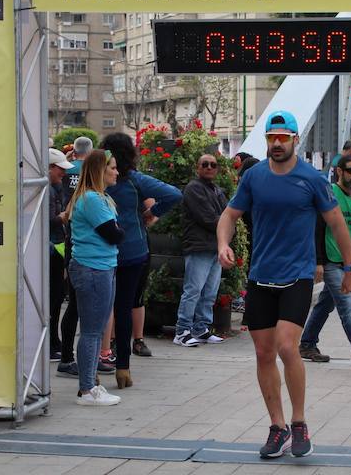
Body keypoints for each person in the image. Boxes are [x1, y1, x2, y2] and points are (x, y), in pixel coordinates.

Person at [217, 110, 351, 460]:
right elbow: (229, 215)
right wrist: (222, 244)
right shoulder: (253, 177)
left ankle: (299, 422)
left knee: (287, 347)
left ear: (295, 139)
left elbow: (337, 223)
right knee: (264, 352)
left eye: (283, 137)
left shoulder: (311, 179)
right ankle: (276, 427)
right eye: (271, 138)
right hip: (260, 277)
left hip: (298, 276)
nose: (276, 143)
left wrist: (349, 266)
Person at [102, 133, 181, 388]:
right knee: (124, 307)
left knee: (99, 309)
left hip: (100, 252)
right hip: (132, 251)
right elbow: (174, 194)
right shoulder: (135, 181)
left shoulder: (95, 181)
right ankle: (123, 367)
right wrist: (151, 212)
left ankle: (96, 361)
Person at [299, 155, 351, 370]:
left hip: (348, 263)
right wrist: (318, 262)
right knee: (346, 307)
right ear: (339, 171)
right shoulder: (328, 195)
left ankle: (307, 343)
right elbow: (317, 230)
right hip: (330, 260)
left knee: (325, 304)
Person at [63, 149, 123, 406]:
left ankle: (89, 385)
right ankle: (87, 389)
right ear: (100, 170)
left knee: (94, 331)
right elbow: (114, 234)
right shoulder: (92, 200)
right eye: (112, 167)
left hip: (100, 266)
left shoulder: (97, 198)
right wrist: (121, 231)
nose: (116, 172)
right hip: (93, 268)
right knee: (91, 331)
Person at [175, 154, 229, 347]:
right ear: (197, 167)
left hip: (215, 247)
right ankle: (182, 331)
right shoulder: (193, 188)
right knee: (193, 290)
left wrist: (226, 229)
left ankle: (201, 328)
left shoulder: (217, 190)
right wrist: (226, 226)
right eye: (204, 164)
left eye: (213, 164)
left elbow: (227, 216)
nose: (209, 167)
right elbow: (209, 218)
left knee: (209, 292)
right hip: (199, 247)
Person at [48, 148, 75, 362]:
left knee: (57, 299)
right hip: (51, 249)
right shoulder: (48, 190)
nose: (63, 174)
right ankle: (51, 344)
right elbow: (48, 220)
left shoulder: (55, 188)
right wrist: (65, 216)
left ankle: (54, 343)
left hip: (56, 248)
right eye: (60, 169)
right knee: (53, 300)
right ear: (48, 168)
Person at [63, 136, 94, 203]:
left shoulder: (66, 167)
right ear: (91, 151)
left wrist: (65, 160)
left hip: (67, 208)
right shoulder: (94, 169)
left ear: (73, 151)